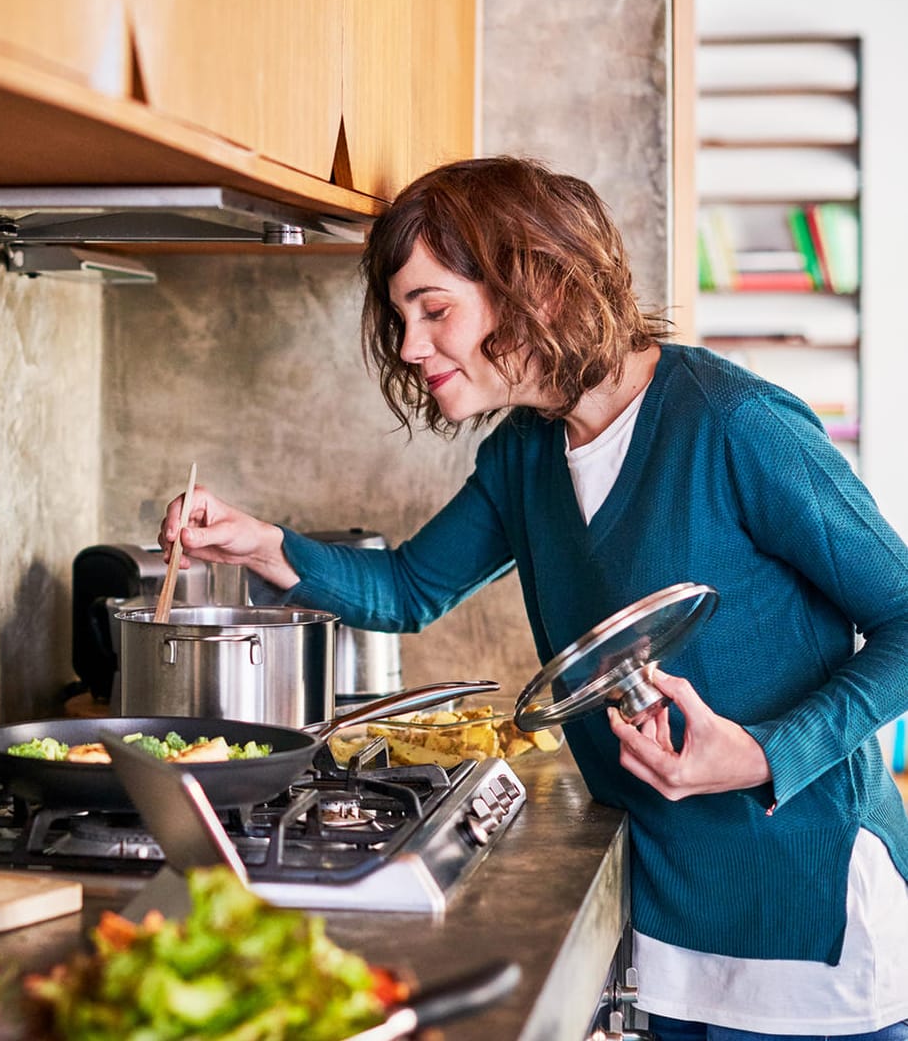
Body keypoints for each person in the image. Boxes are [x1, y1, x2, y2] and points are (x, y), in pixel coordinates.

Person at [159, 156, 908, 1039]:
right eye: (403, 317)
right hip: (666, 925)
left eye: (435, 310)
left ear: (540, 286)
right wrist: (262, 544)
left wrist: (765, 753)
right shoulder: (523, 457)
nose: (410, 346)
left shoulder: (734, 425)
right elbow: (407, 588)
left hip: (811, 920)